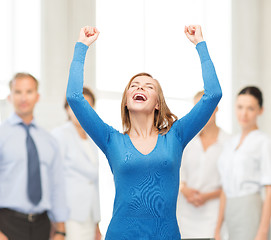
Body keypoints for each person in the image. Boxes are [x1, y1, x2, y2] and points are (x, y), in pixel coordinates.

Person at [66, 25, 222, 239]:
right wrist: (81, 46)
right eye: (134, 85)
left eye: (148, 86)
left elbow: (213, 95)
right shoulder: (111, 140)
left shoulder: (176, 137)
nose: (139, 88)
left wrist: (200, 45)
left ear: (158, 103)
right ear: (126, 102)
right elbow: (74, 97)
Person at [0, 73, 68, 240]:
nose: (24, 97)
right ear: (9, 97)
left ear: (37, 96)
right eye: (18, 92)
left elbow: (57, 185)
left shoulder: (49, 140)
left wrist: (60, 229)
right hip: (7, 224)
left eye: (29, 91)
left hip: (42, 226)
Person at [215, 86, 271, 240]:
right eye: (240, 107)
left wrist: (263, 232)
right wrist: (218, 228)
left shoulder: (264, 142)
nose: (243, 114)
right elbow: (224, 189)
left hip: (250, 209)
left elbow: (269, 190)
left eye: (250, 108)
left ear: (260, 110)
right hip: (230, 211)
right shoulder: (229, 144)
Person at [177, 90, 229, 238]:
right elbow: (176, 174)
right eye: (198, 108)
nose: (203, 113)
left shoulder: (229, 142)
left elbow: (230, 184)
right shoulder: (186, 141)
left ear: (216, 108)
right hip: (185, 220)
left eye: (207, 107)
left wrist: (208, 196)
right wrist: (185, 190)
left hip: (213, 220)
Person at [52, 87, 102, 240]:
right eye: (76, 105)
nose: (81, 110)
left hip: (89, 215)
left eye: (87, 105)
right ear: (67, 108)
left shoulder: (92, 138)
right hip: (69, 215)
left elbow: (93, 182)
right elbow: (54, 180)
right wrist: (59, 224)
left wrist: (96, 223)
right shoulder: (59, 135)